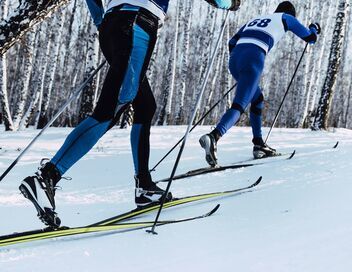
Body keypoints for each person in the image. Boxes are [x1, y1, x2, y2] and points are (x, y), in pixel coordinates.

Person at [18, 0, 241, 227]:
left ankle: (144, 186)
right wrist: (228, 3)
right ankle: (47, 177)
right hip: (137, 26)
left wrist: (102, 22)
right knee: (110, 109)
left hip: (118, 25)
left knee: (145, 105)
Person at [199, 1, 320, 167]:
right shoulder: (286, 17)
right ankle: (214, 136)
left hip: (235, 59)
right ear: (291, 14)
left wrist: (241, 67)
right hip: (253, 58)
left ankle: (258, 143)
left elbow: (231, 43)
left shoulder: (257, 19)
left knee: (257, 99)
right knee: (239, 105)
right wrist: (314, 27)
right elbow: (310, 38)